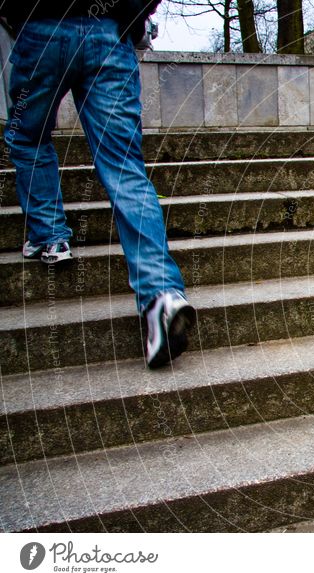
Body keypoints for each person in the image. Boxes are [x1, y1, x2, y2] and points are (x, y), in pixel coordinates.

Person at [1, 1, 196, 369]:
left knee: (29, 138)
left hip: (41, 25)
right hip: (109, 32)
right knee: (124, 166)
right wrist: (134, 14)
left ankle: (48, 235)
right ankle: (161, 294)